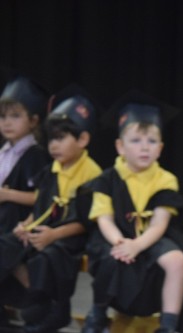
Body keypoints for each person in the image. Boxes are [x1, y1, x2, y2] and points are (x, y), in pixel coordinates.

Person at [81, 91, 183, 333]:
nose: (144, 148)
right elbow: (103, 218)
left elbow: (159, 223)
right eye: (136, 141)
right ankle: (98, 313)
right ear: (120, 147)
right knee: (110, 258)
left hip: (152, 236)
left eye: (151, 142)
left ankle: (168, 325)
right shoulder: (107, 179)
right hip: (115, 235)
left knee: (177, 260)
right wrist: (120, 242)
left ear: (160, 148)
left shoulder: (165, 179)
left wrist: (137, 245)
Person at [0, 84, 102, 332]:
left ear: (83, 139)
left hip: (70, 236)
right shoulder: (53, 170)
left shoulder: (92, 174)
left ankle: (55, 309)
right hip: (45, 229)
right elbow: (43, 205)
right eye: (51, 139)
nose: (54, 145)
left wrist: (52, 234)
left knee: (49, 256)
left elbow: (84, 221)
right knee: (7, 244)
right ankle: (33, 307)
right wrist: (27, 225)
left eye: (61, 138)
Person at [0, 76, 51, 235]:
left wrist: (8, 194)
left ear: (33, 121)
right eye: (2, 116)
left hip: (17, 227)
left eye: (15, 116)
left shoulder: (35, 155)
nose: (7, 123)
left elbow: (42, 197)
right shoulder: (3, 151)